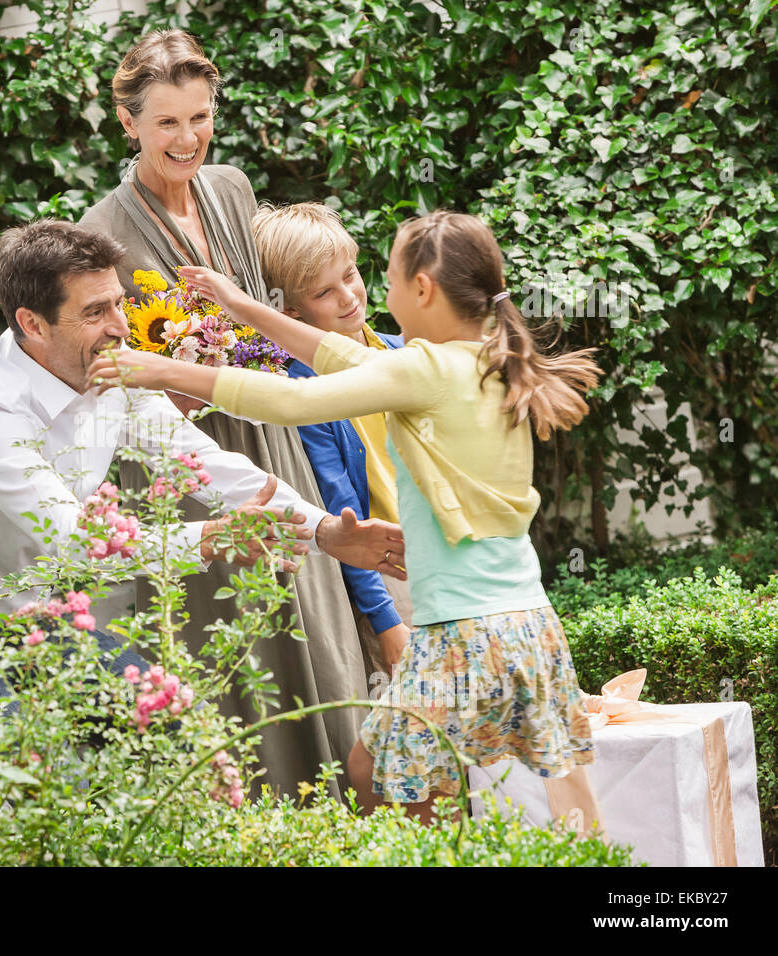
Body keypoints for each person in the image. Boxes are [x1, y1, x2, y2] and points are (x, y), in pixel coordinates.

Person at [87, 209, 601, 824]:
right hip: (523, 619)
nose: (372, 294)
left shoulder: (424, 368)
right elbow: (338, 358)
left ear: (422, 290)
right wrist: (242, 307)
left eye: (380, 278)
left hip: (464, 631)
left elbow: (297, 399)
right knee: (552, 796)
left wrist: (164, 369)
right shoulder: (481, 359)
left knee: (401, 786)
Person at [0, 219, 405, 711]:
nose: (120, 326)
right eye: (95, 312)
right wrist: (211, 538)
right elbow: (76, 542)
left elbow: (205, 463)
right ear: (32, 323)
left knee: (167, 726)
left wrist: (324, 531)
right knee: (36, 780)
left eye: (118, 303)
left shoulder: (110, 373)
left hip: (33, 619)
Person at [79, 29, 376, 799]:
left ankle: (344, 812)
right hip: (182, 456)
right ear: (128, 123)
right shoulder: (102, 233)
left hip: (272, 431)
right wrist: (189, 375)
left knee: (314, 614)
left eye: (201, 117)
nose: (188, 139)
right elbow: (109, 380)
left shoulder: (235, 189)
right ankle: (261, 816)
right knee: (232, 640)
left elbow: (269, 314)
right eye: (167, 122)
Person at [252, 202, 414, 683]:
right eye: (325, 291)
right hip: (391, 570)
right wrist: (385, 621)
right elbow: (344, 513)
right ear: (288, 309)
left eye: (350, 275)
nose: (349, 297)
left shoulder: (403, 351)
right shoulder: (306, 391)